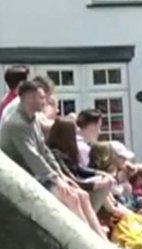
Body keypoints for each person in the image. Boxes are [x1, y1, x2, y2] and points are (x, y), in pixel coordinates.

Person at [0, 80, 107, 238]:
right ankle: (92, 243)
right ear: (30, 99)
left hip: (36, 173)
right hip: (23, 176)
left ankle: (104, 242)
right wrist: (58, 181)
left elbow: (43, 149)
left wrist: (61, 176)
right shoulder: (17, 124)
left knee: (82, 196)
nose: (46, 102)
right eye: (42, 98)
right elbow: (34, 158)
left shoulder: (33, 117)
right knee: (71, 198)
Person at [46, 119, 119, 216]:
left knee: (105, 180)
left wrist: (99, 173)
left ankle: (99, 215)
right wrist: (96, 184)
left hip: (75, 183)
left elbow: (79, 169)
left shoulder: (67, 152)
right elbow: (72, 178)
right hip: (69, 186)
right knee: (91, 191)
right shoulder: (56, 154)